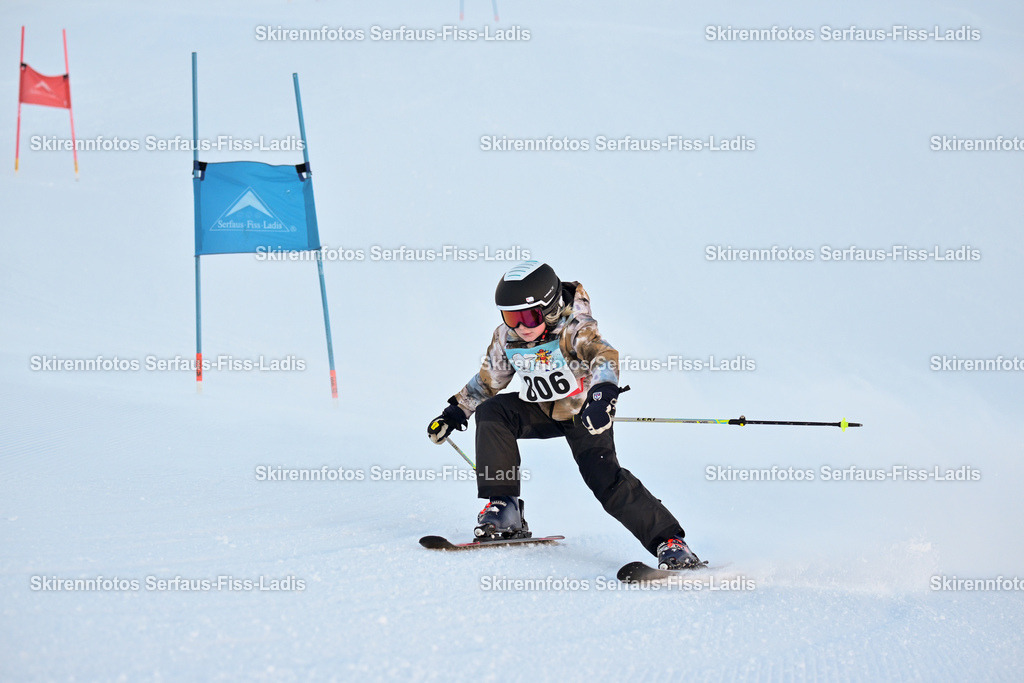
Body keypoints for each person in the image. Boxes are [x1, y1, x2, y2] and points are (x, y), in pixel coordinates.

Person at [427, 260, 703, 570]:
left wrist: (602, 397)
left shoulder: (576, 328)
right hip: (540, 410)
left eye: (528, 316)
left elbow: (603, 356)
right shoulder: (507, 337)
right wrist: (455, 410)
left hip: (584, 412)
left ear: (549, 308)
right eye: (510, 316)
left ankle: (670, 542)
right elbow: (490, 378)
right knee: (493, 413)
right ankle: (504, 507)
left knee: (605, 479)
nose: (520, 326)